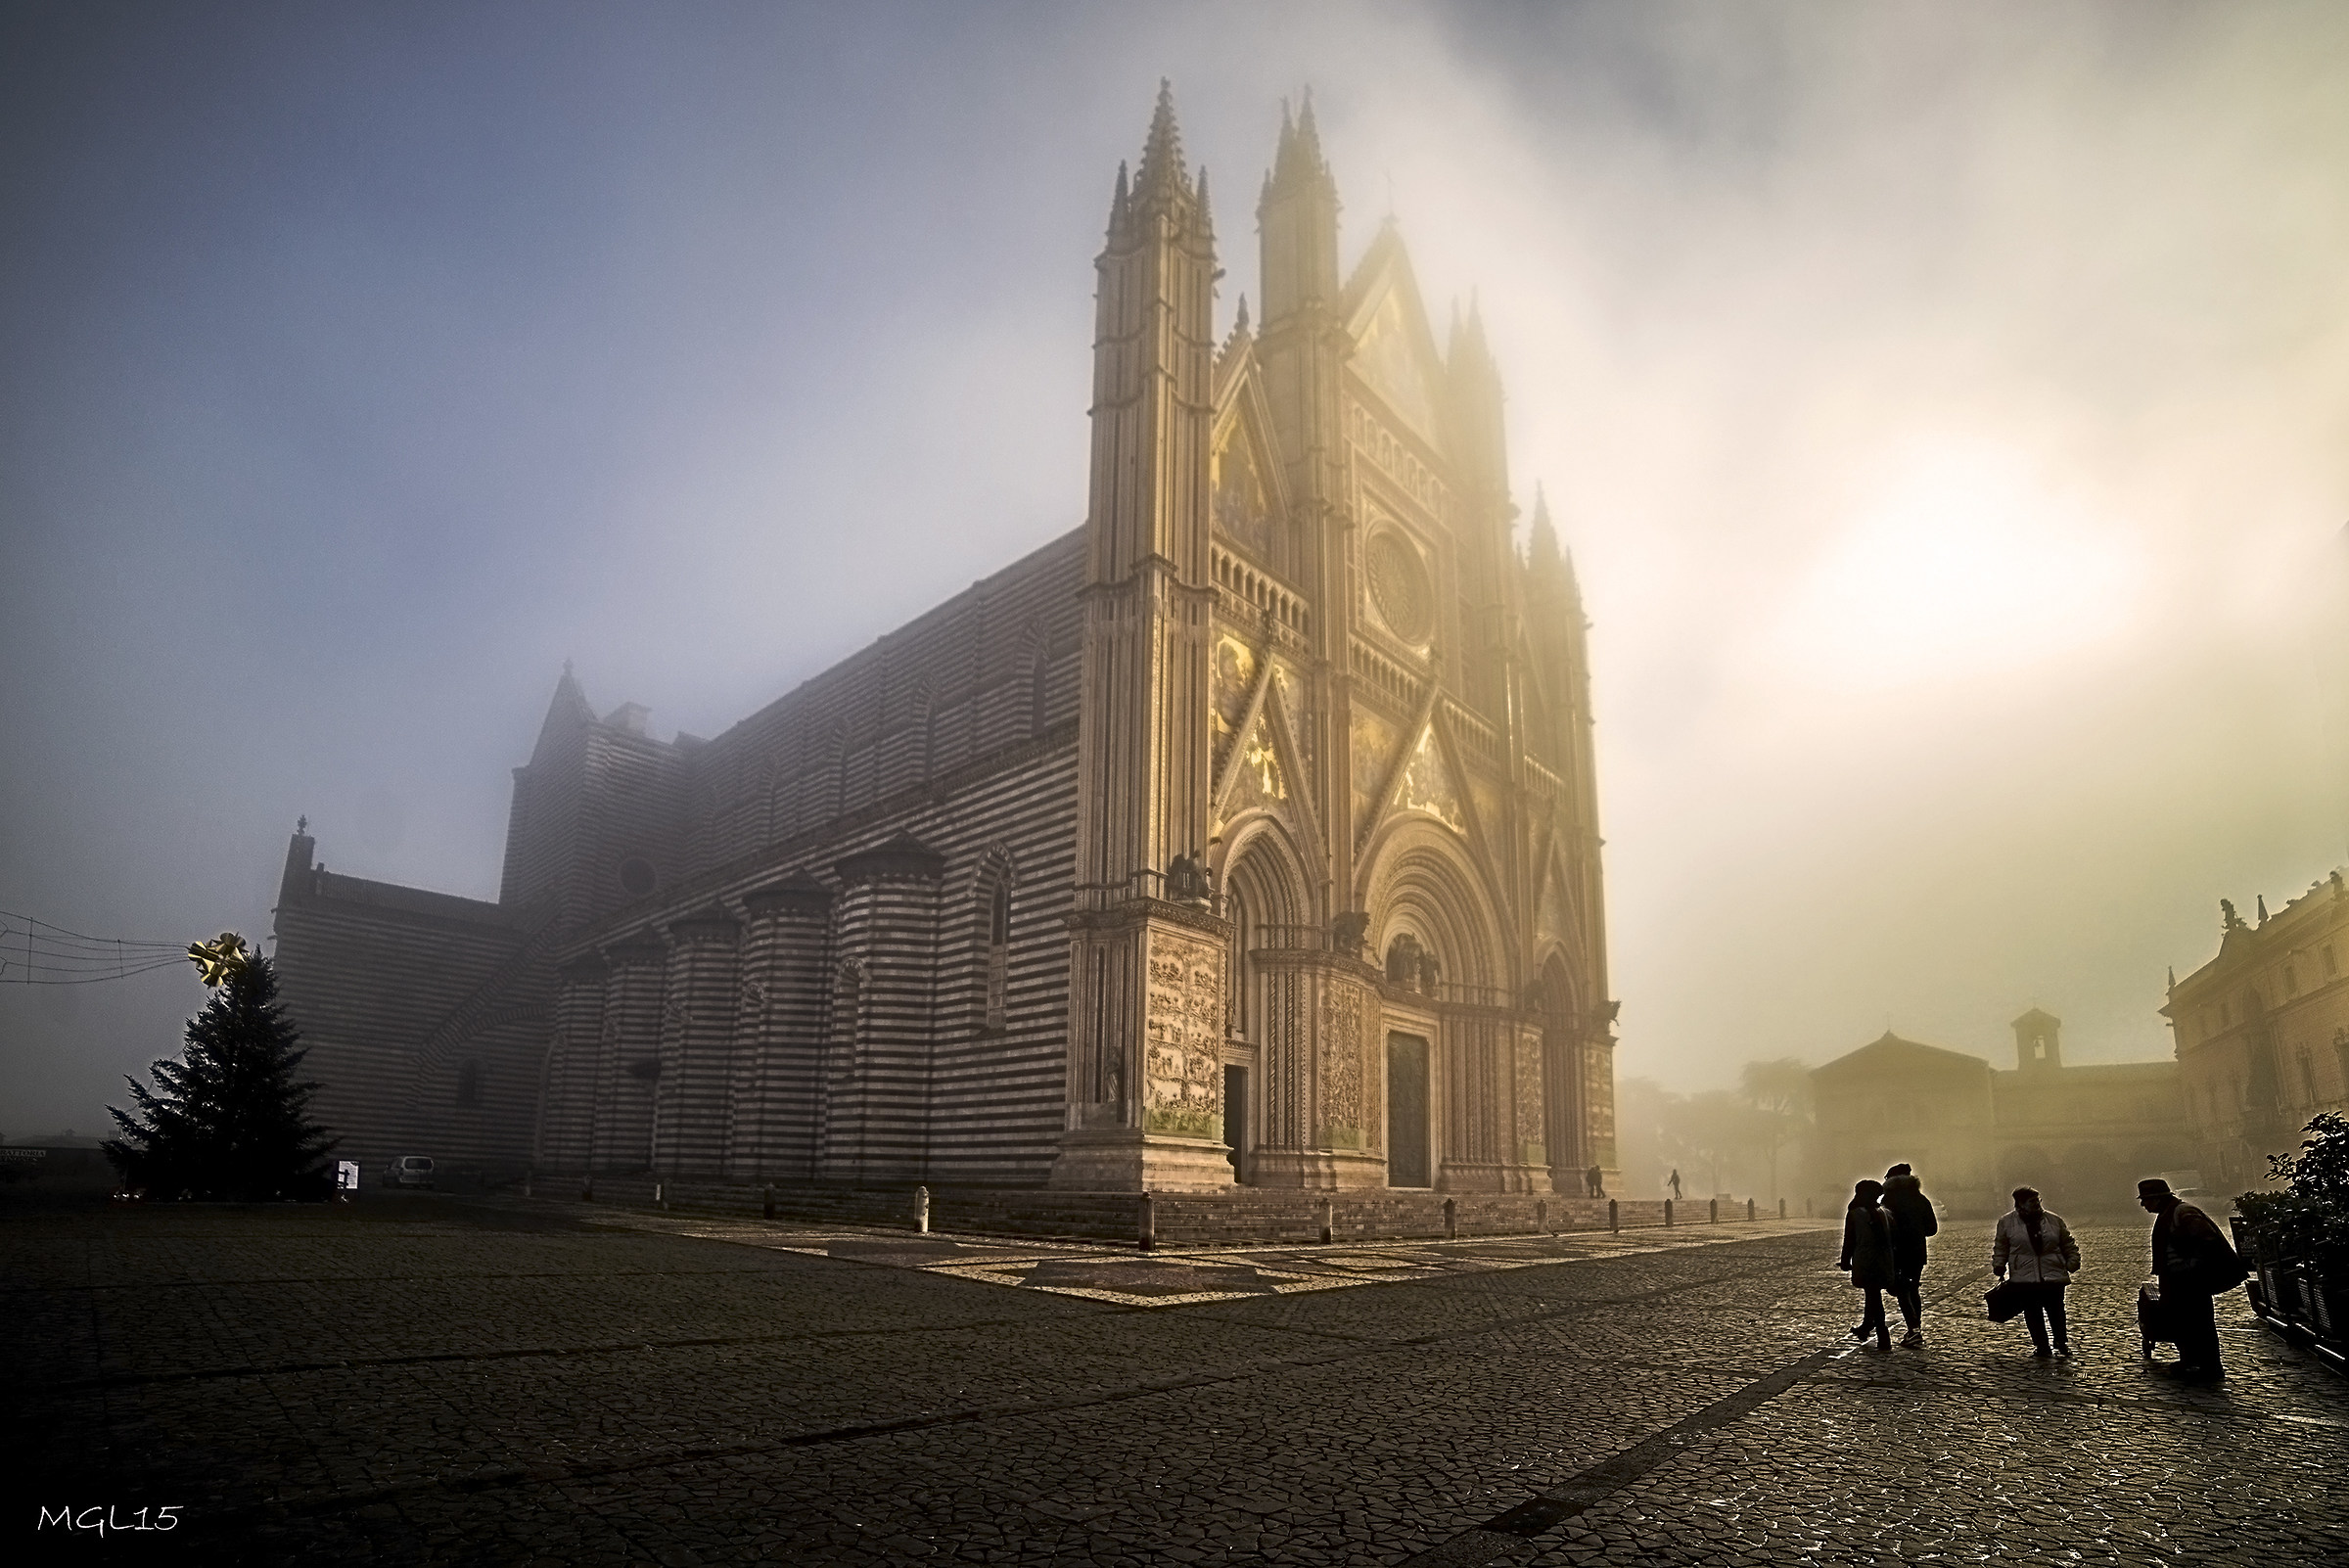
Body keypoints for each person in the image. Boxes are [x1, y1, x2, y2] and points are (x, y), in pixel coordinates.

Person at [2140, 1176, 2235, 1380]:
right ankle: (2190, 1359)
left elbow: (2207, 1242)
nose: (2143, 1205)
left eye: (2146, 1200)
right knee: (2182, 1322)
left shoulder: (2183, 1213)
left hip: (2190, 1281)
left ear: (2157, 1198)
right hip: (2175, 1279)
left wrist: (2190, 1267)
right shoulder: (2169, 1213)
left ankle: (2210, 1367)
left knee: (2200, 1323)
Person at [1991, 1186, 2081, 1359]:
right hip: (2024, 1276)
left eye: (2038, 1200)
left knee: (2056, 1310)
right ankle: (2041, 1346)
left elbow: (2068, 1243)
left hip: (2053, 1273)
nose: (2037, 1204)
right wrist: (1999, 1264)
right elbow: (2001, 1246)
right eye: (2032, 1201)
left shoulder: (2054, 1220)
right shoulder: (2006, 1222)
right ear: (2020, 1204)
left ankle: (2061, 1342)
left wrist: (2073, 1261)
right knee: (2032, 1312)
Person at [1881, 1163, 1939, 1348]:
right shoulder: (1921, 1199)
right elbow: (1932, 1229)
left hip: (1897, 1252)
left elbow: (1883, 1227)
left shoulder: (1888, 1200)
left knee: (1902, 1291)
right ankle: (1915, 1329)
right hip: (1917, 1253)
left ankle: (1914, 1330)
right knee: (1912, 1289)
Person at [1837, 1178, 1896, 1349]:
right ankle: (1865, 1327)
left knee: (1874, 1296)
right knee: (1872, 1295)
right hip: (1884, 1259)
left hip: (1866, 1259)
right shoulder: (1885, 1212)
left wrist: (1845, 1261)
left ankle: (1883, 1335)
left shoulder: (1855, 1213)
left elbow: (1849, 1240)